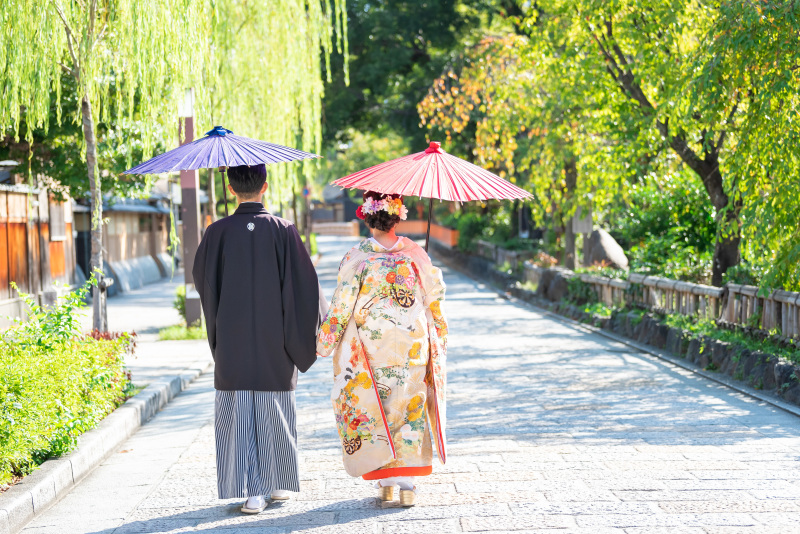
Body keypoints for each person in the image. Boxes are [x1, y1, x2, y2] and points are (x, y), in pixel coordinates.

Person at [192, 164, 324, 514]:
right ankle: (274, 483)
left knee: (239, 411)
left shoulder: (216, 232)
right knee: (275, 406)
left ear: (231, 188)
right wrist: (302, 337)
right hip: (275, 338)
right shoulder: (284, 230)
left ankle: (256, 490)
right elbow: (304, 287)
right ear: (265, 186)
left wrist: (223, 318)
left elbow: (203, 281)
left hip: (233, 337)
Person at [315, 191, 448, 507]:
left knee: (379, 413)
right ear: (398, 217)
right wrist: (440, 333)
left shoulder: (358, 257)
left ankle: (387, 484)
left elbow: (341, 305)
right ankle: (407, 486)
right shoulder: (415, 253)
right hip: (412, 348)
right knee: (409, 411)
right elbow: (435, 299)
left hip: (372, 350)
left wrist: (325, 342)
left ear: (366, 216)